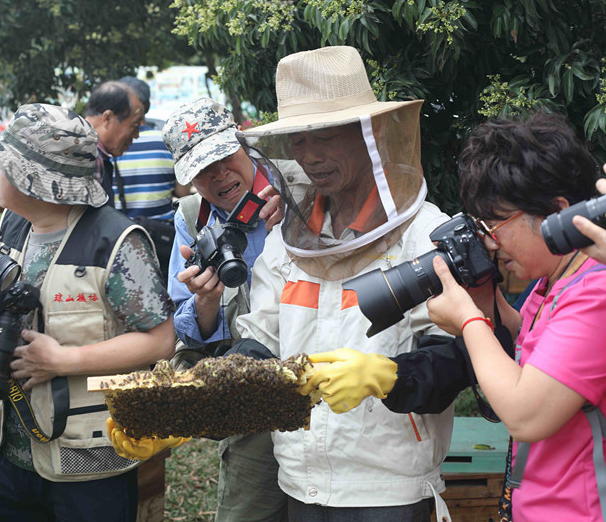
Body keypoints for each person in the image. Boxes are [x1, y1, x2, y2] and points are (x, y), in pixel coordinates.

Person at [234, 46, 455, 520]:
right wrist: (200, 398)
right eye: (298, 142)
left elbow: (458, 359)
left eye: (326, 137)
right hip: (298, 483)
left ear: (369, 134)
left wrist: (387, 376)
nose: (310, 157)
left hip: (390, 491)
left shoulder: (424, 235)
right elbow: (260, 342)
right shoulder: (286, 243)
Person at [0, 103, 176, 522]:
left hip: (88, 462)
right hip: (10, 449)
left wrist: (64, 361)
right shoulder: (14, 224)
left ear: (33, 180)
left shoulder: (115, 241)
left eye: (3, 165)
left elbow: (161, 340)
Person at [107, 97, 286, 522]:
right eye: (202, 170)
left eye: (224, 157)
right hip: (252, 389)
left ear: (242, 144)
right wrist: (206, 299)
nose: (219, 174)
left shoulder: (296, 186)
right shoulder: (191, 218)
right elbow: (189, 331)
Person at [425, 112, 606, 521]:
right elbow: (537, 350)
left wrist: (469, 322)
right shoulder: (550, 282)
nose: (489, 242)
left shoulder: (596, 291)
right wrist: (484, 301)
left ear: (556, 212)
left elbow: (526, 414)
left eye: (496, 224)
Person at [112, 76, 191, 286]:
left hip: (120, 239)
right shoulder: (165, 142)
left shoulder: (111, 145)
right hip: (162, 240)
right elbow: (182, 193)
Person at [114, 76, 190, 220]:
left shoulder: (108, 145)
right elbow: (183, 193)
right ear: (147, 106)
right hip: (163, 236)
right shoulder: (168, 142)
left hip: (120, 235)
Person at [84, 80, 145, 207]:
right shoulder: (87, 157)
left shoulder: (83, 146)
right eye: (134, 126)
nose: (137, 135)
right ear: (107, 118)